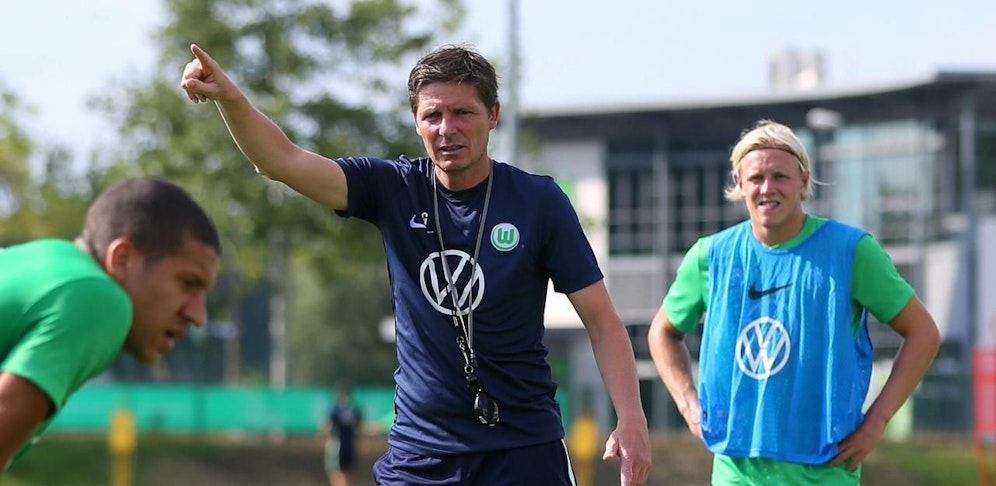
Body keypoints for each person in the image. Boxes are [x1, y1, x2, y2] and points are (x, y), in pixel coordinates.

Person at [181, 43, 651, 485]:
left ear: (493, 116)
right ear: (416, 122)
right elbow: (280, 161)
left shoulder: (539, 202)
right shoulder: (393, 188)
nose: (448, 129)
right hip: (422, 456)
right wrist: (230, 97)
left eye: (463, 112)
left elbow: (602, 321)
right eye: (433, 115)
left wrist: (631, 419)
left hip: (524, 449)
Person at [647, 120, 941, 485]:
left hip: (825, 469)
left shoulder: (851, 252)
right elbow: (663, 331)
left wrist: (878, 420)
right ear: (739, 184)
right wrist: (687, 403)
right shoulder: (711, 256)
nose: (767, 188)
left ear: (804, 182)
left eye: (780, 176)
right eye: (756, 178)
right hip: (737, 470)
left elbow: (923, 333)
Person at [0, 177, 221, 473]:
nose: (198, 315)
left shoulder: (42, 261)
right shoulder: (98, 298)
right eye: (187, 283)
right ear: (123, 259)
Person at [323, 384, 364, 486]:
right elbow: (359, 426)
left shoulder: (336, 407)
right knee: (348, 471)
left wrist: (326, 438)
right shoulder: (354, 408)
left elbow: (329, 425)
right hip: (350, 443)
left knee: (335, 471)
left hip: (337, 443)